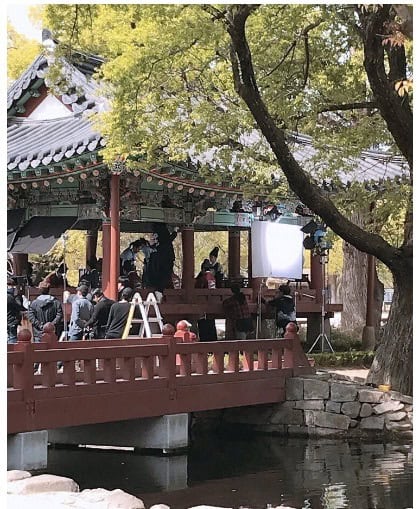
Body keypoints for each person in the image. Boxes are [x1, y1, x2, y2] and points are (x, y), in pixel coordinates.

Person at [7, 278, 25, 344]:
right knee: (12, 338)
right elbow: (18, 306)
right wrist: (17, 296)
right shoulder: (10, 297)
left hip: (9, 319)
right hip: (11, 320)